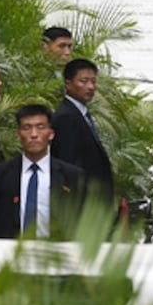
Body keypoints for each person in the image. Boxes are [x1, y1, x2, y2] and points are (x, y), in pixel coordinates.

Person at [0, 104, 84, 239]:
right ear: (19, 134)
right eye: (27, 128)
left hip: (54, 254)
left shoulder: (71, 176)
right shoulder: (1, 174)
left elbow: (82, 219)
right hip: (10, 253)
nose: (34, 134)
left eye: (40, 127)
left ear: (51, 134)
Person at [51, 58, 114, 204]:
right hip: (82, 204)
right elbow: (68, 163)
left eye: (93, 81)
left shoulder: (81, 113)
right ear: (68, 83)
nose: (91, 86)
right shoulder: (65, 117)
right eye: (84, 81)